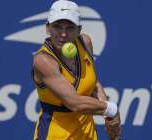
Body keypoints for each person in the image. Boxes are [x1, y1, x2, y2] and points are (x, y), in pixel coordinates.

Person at [32, 0, 121, 139]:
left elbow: (94, 84)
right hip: (56, 135)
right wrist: (111, 110)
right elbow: (74, 102)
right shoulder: (43, 61)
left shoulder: (85, 42)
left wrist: (107, 117)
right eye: (57, 26)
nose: (63, 34)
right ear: (47, 28)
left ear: (79, 30)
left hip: (87, 133)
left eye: (69, 28)